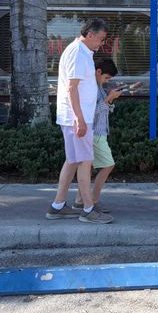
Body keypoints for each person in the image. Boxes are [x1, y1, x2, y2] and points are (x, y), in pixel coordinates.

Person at [46, 18, 113, 224]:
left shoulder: (79, 51)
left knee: (73, 161)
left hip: (75, 117)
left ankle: (57, 206)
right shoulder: (78, 53)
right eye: (100, 39)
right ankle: (87, 209)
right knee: (85, 163)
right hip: (78, 118)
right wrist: (79, 119)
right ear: (90, 34)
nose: (101, 44)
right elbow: (72, 88)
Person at [71, 58, 123, 213]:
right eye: (106, 77)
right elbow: (91, 113)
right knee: (108, 165)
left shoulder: (98, 86)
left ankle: (80, 201)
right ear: (98, 71)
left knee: (87, 169)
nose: (107, 81)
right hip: (95, 134)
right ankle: (92, 200)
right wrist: (108, 98)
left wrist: (109, 100)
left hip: (98, 133)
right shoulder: (91, 88)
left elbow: (103, 108)